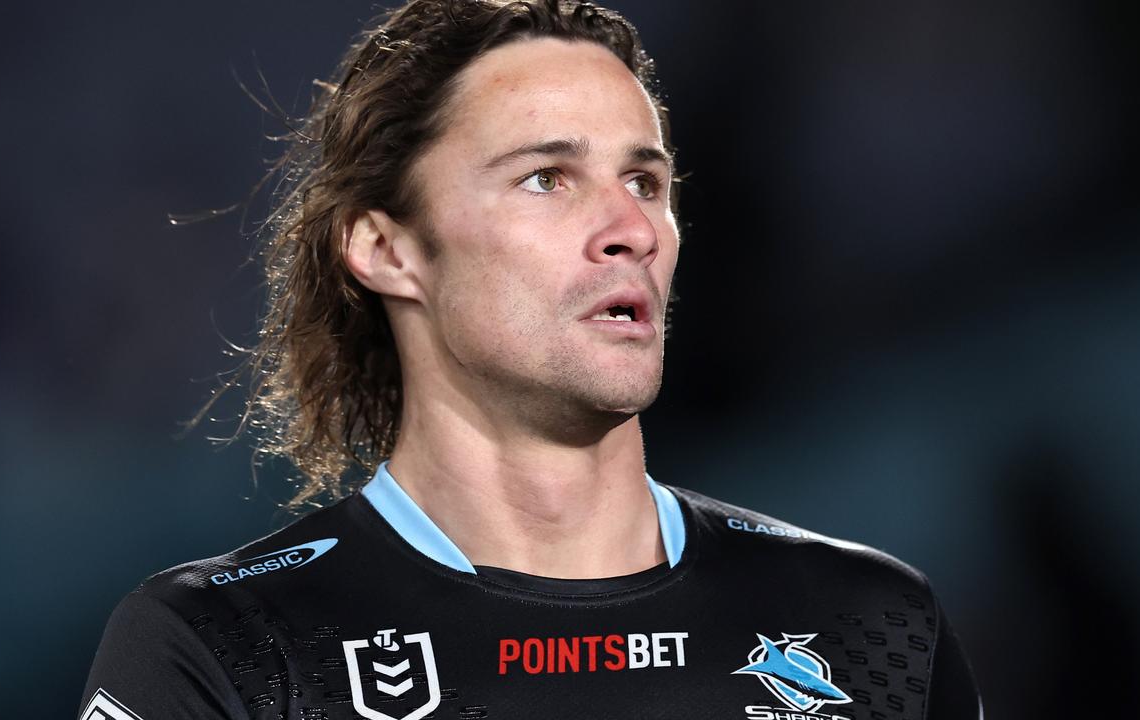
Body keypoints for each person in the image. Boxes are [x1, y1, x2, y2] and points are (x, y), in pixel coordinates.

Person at [80, 1, 982, 718]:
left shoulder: (874, 626)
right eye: (546, 178)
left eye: (645, 183)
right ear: (386, 250)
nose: (630, 230)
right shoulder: (229, 648)